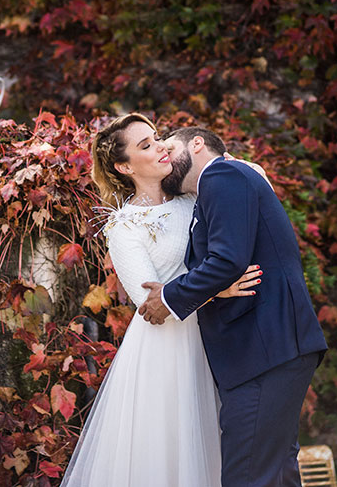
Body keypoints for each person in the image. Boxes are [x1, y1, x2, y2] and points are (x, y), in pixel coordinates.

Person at [61, 114, 263, 487]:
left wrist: (234, 164)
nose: (161, 147)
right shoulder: (125, 225)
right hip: (164, 351)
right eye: (146, 146)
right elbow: (147, 300)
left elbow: (251, 182)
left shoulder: (195, 195)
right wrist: (218, 289)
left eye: (157, 138)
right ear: (124, 167)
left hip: (213, 337)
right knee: (171, 452)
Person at [139, 126, 328, 487]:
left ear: (196, 144)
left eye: (168, 146)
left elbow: (227, 260)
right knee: (275, 474)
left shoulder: (221, 174)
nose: (163, 155)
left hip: (264, 348)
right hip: (271, 349)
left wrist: (168, 298)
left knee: (248, 476)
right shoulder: (226, 183)